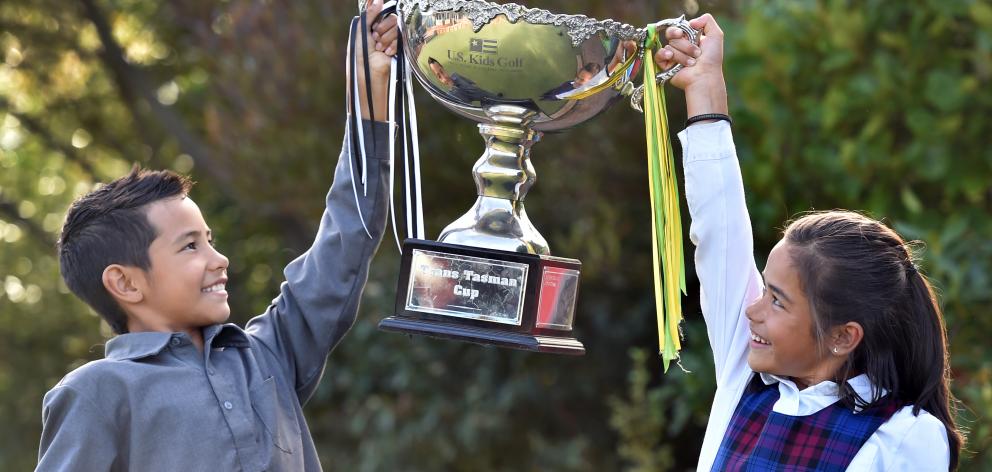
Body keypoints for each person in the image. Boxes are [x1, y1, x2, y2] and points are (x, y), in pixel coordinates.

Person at [36, 1, 399, 470]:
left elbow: (347, 238)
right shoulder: (96, 392)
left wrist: (369, 93)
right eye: (190, 245)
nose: (219, 258)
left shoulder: (269, 356)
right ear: (126, 283)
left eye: (209, 239)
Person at [655, 14, 963, 471]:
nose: (753, 310)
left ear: (842, 336)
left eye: (778, 301)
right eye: (764, 289)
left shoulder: (905, 437)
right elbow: (719, 231)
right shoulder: (747, 372)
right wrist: (704, 87)